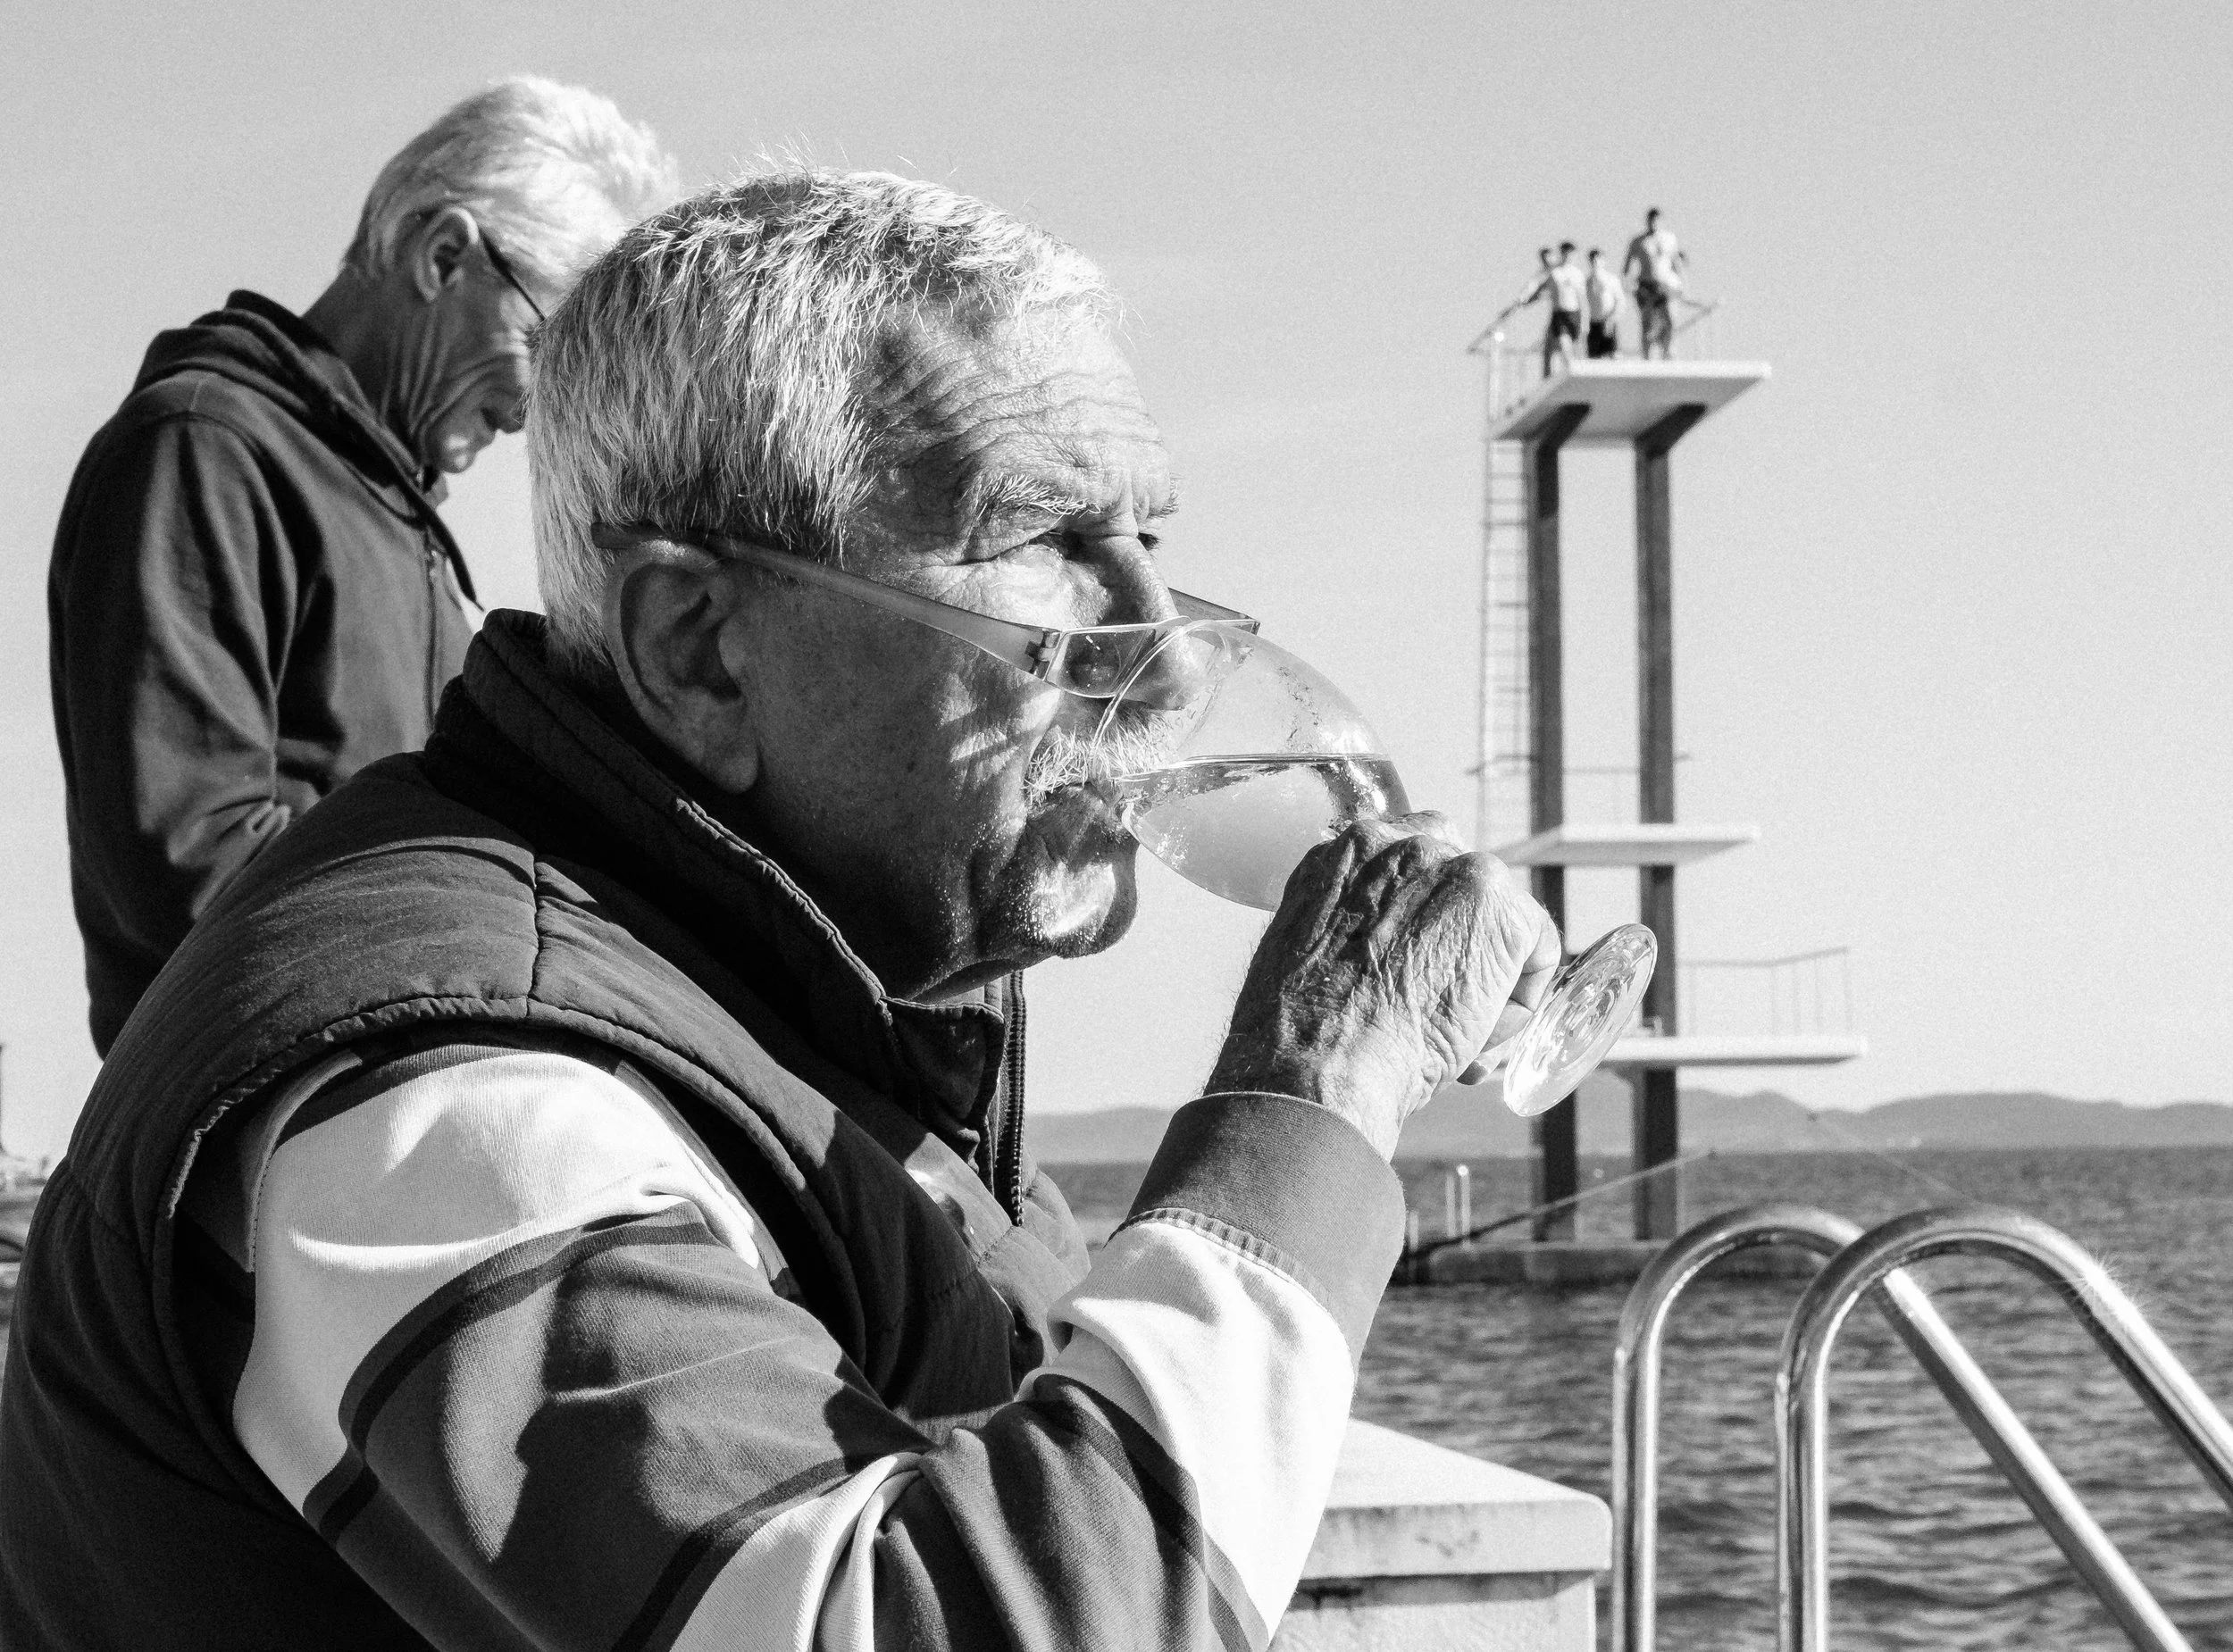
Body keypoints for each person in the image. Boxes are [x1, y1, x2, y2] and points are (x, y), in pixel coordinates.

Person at [0, 170, 1560, 1650]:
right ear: (697, 647)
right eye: (1047, 544)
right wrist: (1318, 1083)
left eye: (1145, 539)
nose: (1163, 661)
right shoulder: (446, 1095)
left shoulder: (813, 998)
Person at [46, 77, 679, 1055]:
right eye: (542, 348)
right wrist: (499, 930)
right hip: (263, 1107)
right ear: (443, 255)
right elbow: (188, 863)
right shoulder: (204, 448)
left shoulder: (395, 520)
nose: (533, 416)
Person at [1623, 206, 1687, 360]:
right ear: (1647, 222)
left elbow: (1676, 262)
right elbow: (1627, 266)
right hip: (1646, 285)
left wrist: (1683, 284)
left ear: (1661, 221)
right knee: (1647, 323)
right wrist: (1629, 285)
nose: (1654, 224)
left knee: (1670, 319)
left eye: (1657, 221)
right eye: (1651, 221)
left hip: (1665, 285)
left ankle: (1667, 351)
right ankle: (1647, 356)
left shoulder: (1670, 238)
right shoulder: (1638, 241)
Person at [1526, 240, 1586, 374]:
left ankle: (1576, 372)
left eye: (1571, 254)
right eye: (1565, 254)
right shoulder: (1555, 272)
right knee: (1563, 343)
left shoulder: (1577, 274)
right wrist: (1529, 300)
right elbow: (1541, 290)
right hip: (1559, 313)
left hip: (1574, 313)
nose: (1568, 257)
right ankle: (1566, 371)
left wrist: (1585, 321)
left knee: (1576, 347)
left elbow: (1582, 299)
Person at [1585, 246, 1624, 358]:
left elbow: (1620, 301)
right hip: (1594, 323)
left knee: (1614, 355)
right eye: (1592, 259)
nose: (1595, 262)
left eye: (1597, 259)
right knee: (1594, 358)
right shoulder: (1587, 281)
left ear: (1603, 260)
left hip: (1608, 322)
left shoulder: (1611, 279)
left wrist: (1611, 320)